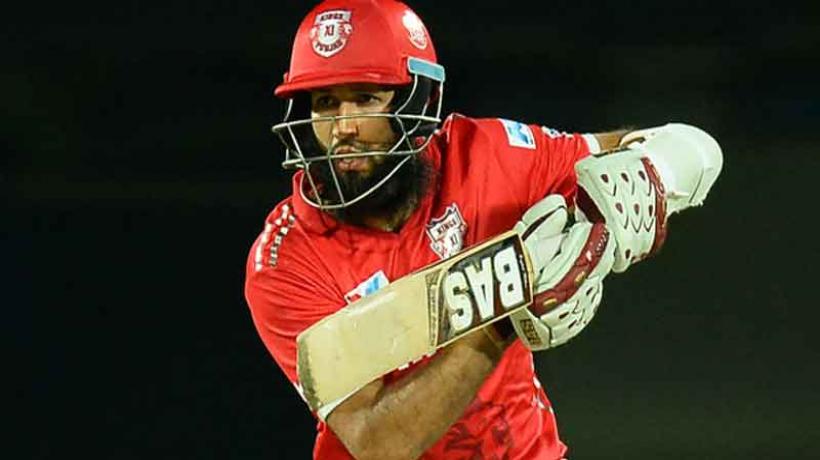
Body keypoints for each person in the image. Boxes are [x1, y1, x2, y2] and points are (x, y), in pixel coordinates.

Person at [244, 1, 722, 458]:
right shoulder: (285, 261)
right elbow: (379, 443)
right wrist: (503, 314)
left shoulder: (483, 156)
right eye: (326, 103)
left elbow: (681, 146)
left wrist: (646, 181)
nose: (343, 127)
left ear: (418, 98)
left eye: (365, 98)